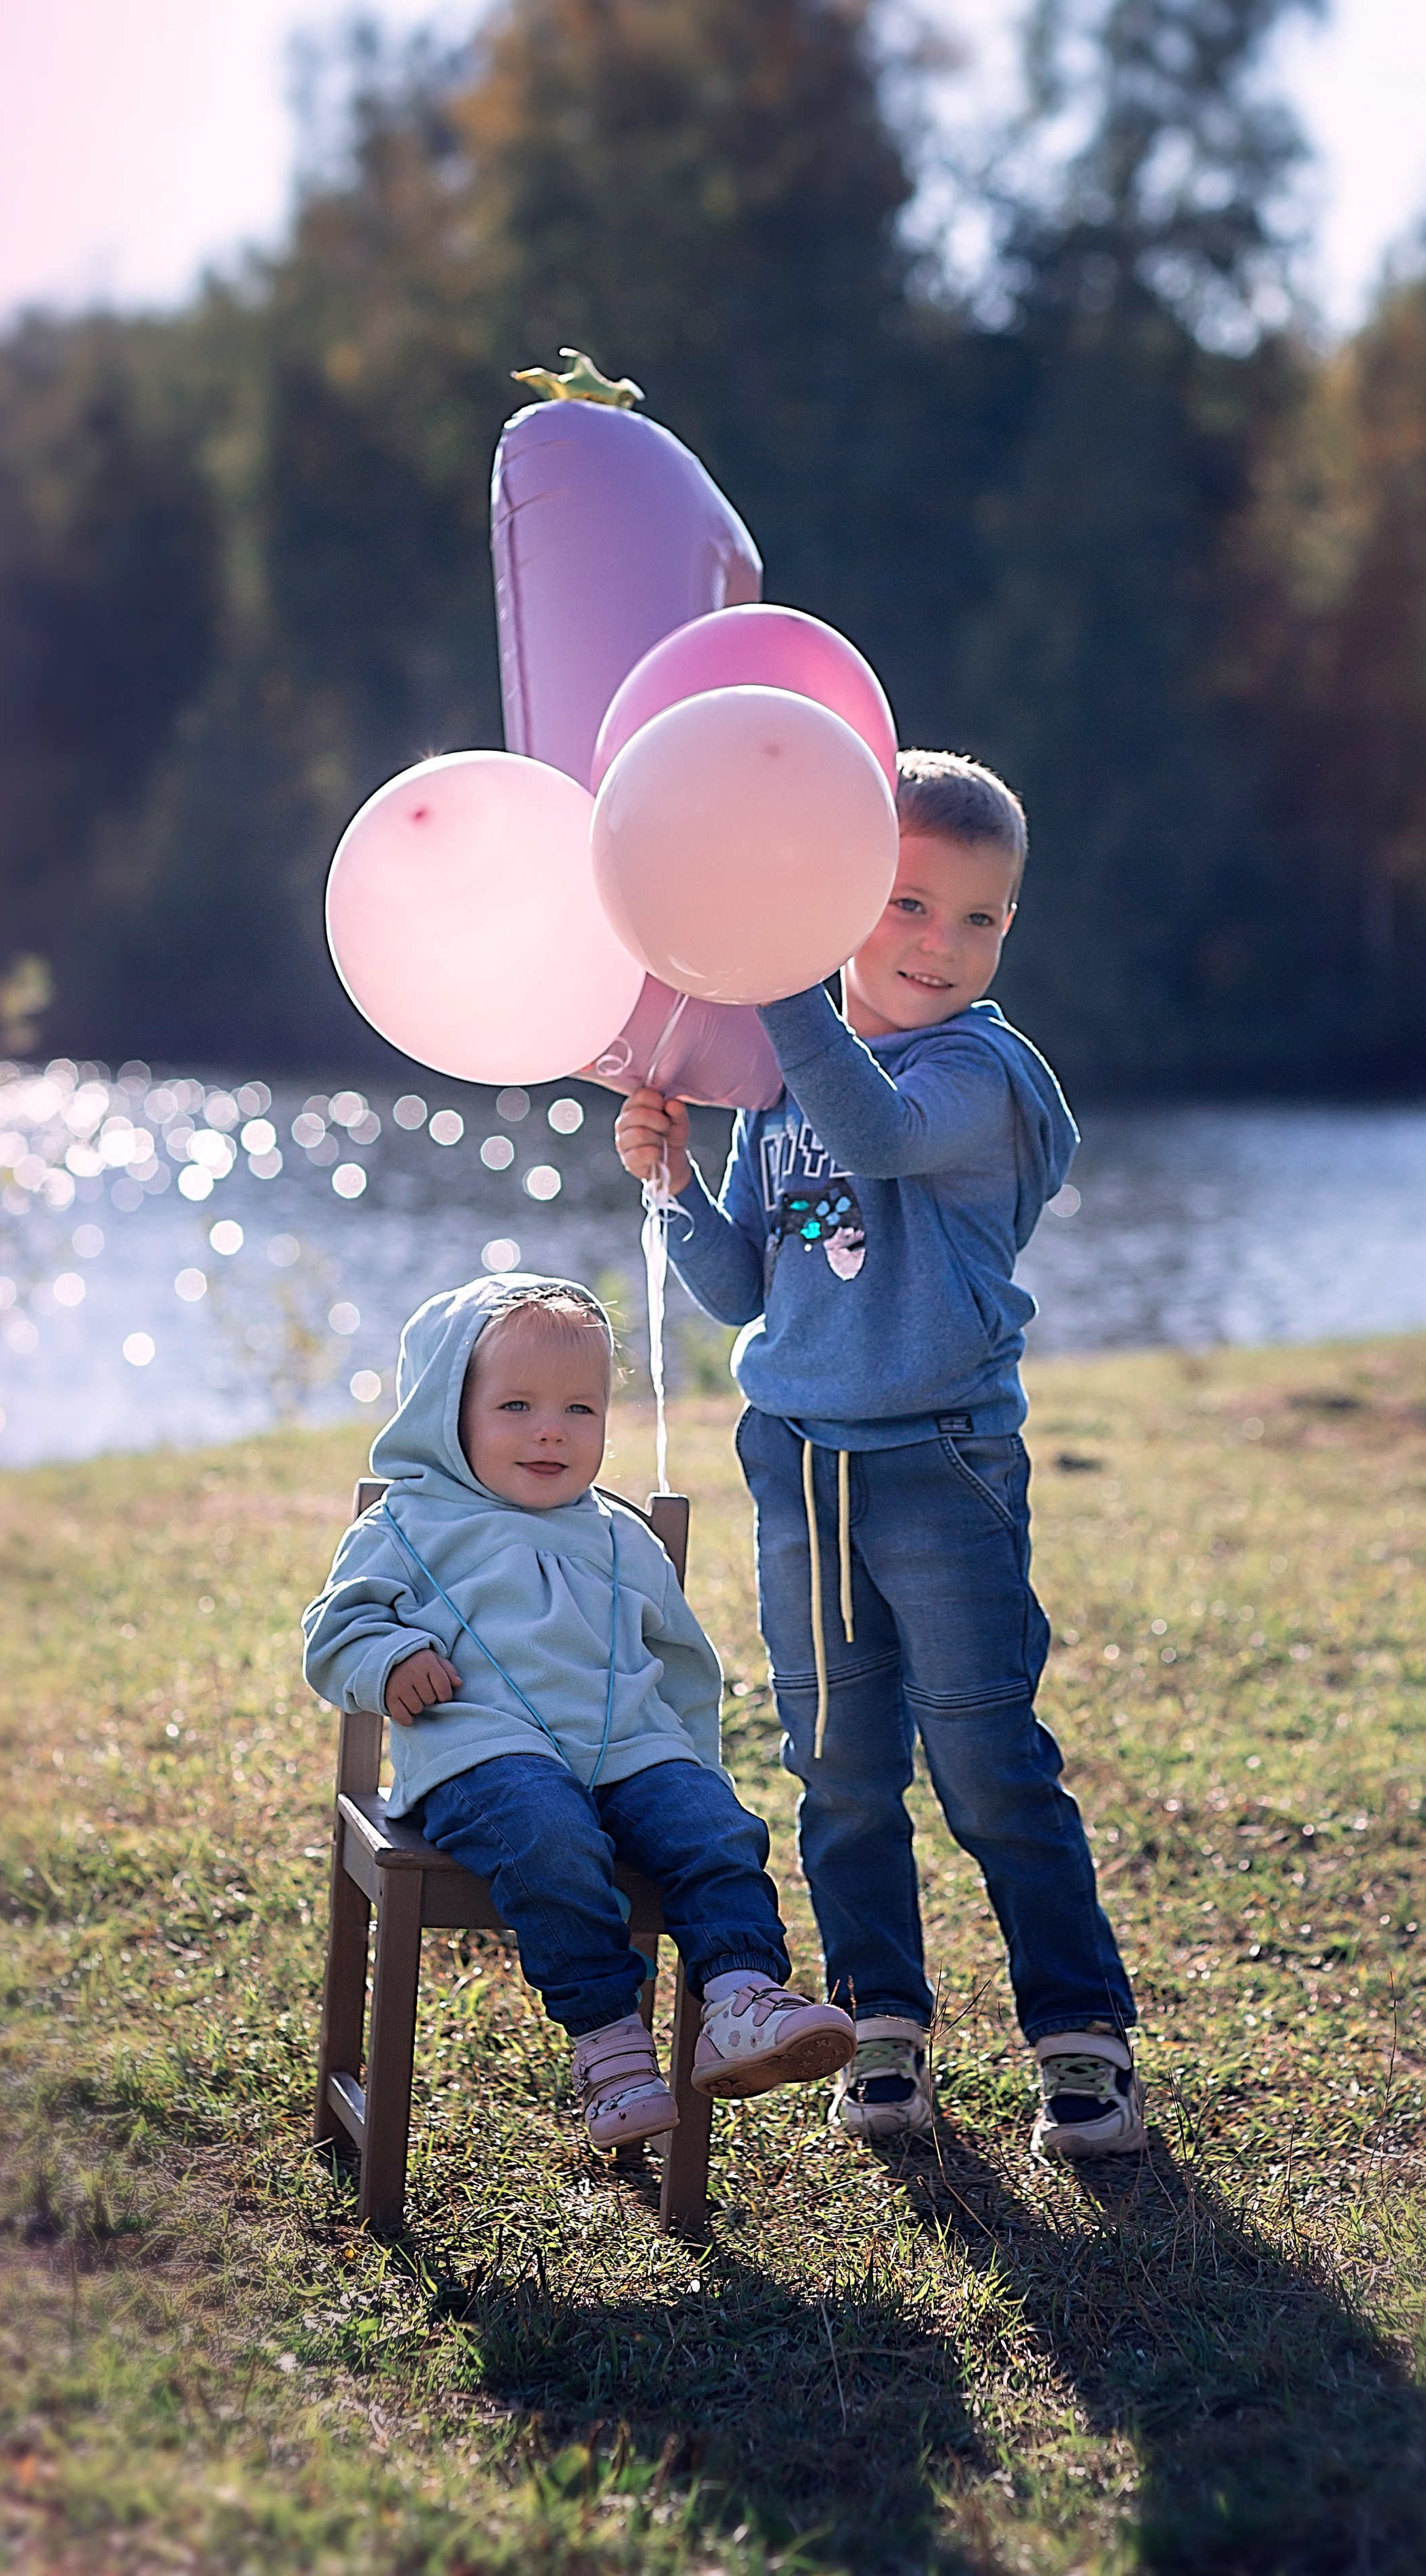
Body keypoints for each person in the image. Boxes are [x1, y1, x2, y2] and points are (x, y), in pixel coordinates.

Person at [615, 752, 1145, 2162]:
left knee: (984, 1761)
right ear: (842, 897)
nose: (937, 943)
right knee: (838, 1766)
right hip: (797, 1465)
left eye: (977, 918)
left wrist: (774, 959)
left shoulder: (978, 1071)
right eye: (903, 904)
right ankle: (882, 2026)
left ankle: (1080, 2039)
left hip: (940, 1462)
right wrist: (670, 1179)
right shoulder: (776, 1086)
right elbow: (740, 1288)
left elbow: (873, 1125)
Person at [302, 1273, 855, 2152]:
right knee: (551, 1836)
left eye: (580, 1408)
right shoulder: (411, 1522)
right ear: (451, 1410)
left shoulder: (622, 1536)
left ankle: (742, 1997)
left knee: (717, 1830)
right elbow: (335, 1628)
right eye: (515, 1404)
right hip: (486, 1756)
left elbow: (683, 1666)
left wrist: (690, 1766)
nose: (551, 1428)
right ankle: (608, 2042)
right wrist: (388, 1658)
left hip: (628, 1750)